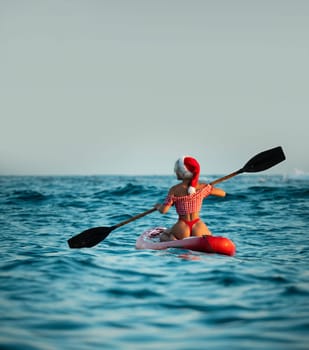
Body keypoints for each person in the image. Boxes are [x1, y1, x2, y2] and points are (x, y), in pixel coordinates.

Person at [155, 156, 226, 241]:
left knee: (163, 236)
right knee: (209, 237)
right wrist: (209, 188)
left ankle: (172, 240)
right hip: (198, 226)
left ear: (182, 172)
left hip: (182, 226)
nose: (175, 172)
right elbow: (223, 193)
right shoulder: (202, 187)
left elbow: (164, 210)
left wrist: (158, 206)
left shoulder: (174, 190)